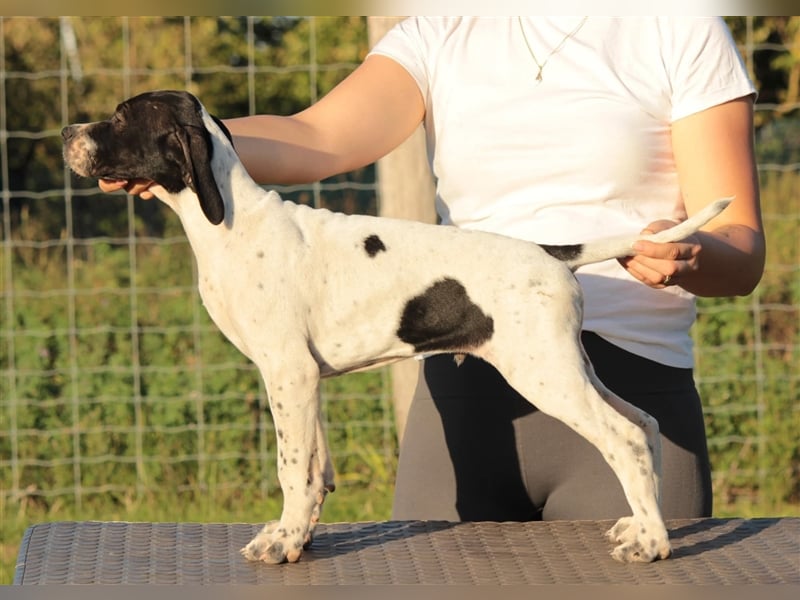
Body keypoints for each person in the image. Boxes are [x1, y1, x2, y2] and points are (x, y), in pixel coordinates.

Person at [101, 17, 765, 521]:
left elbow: (741, 250)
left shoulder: (681, 23)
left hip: (633, 377)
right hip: (462, 388)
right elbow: (317, 138)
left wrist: (693, 257)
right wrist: (177, 146)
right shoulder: (441, 24)